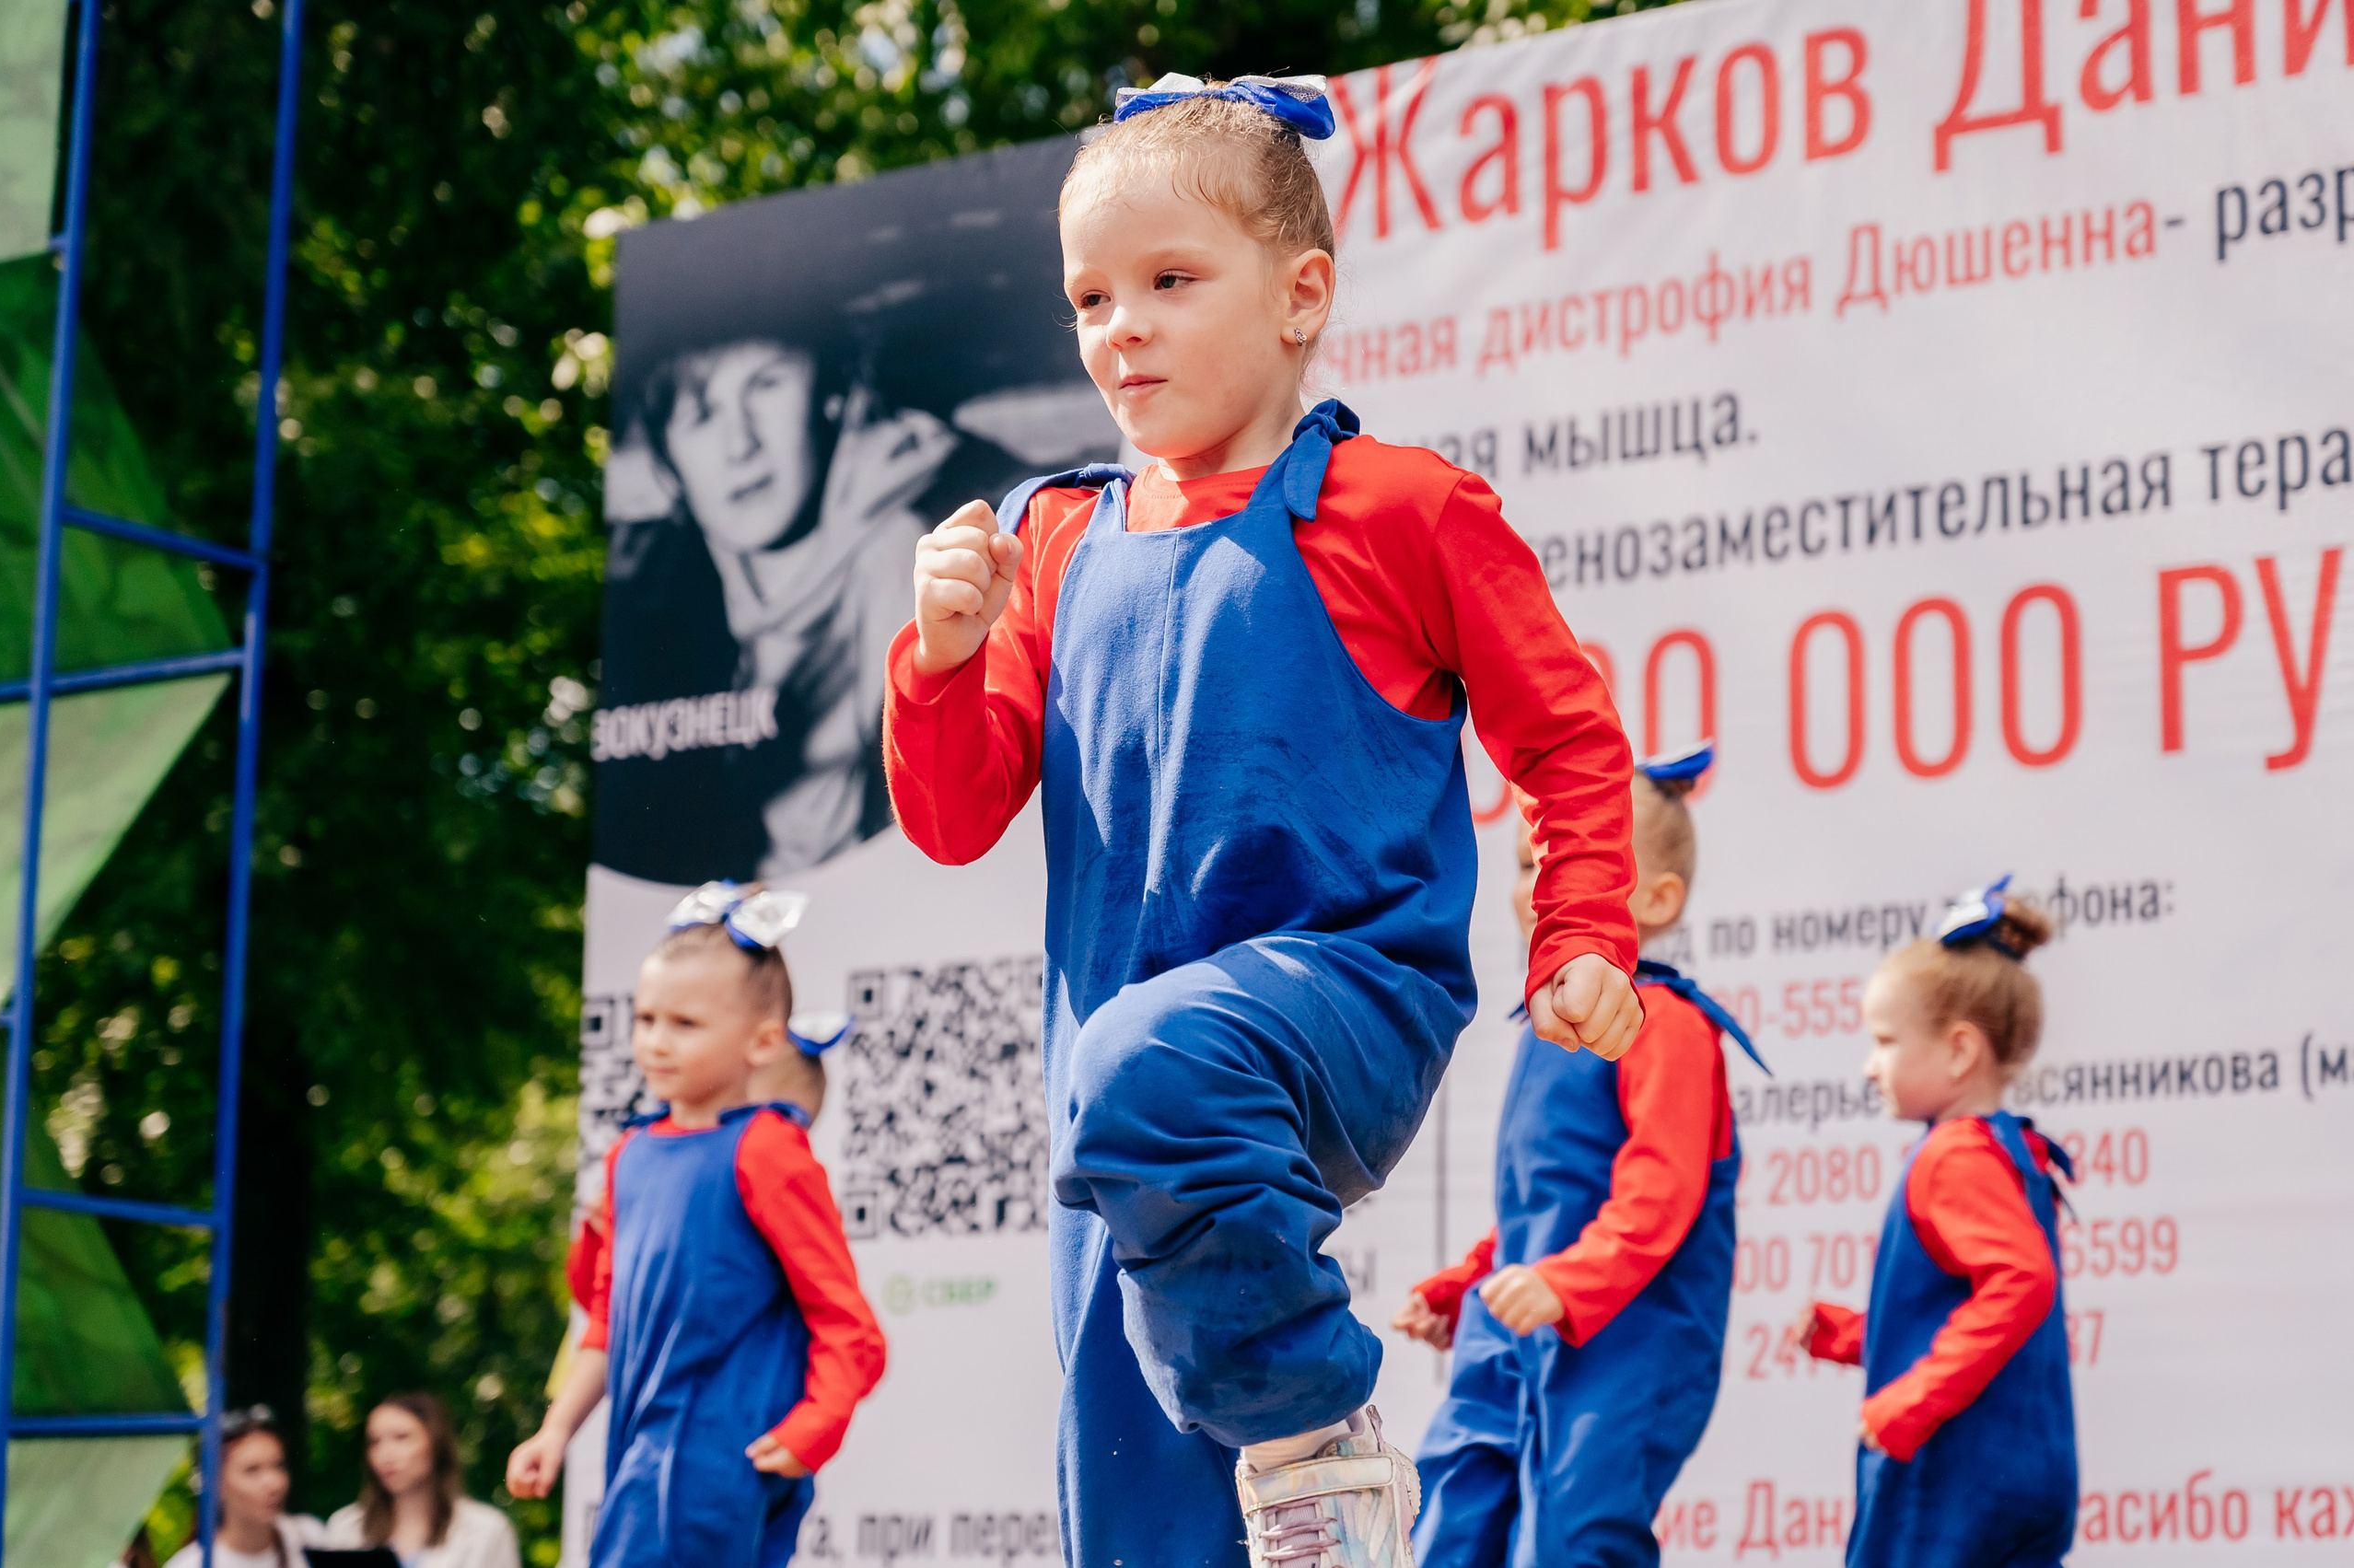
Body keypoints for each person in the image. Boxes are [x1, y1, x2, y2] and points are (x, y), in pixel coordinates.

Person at [882, 72, 1640, 1568]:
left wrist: (1584, 929)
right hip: (1117, 1106)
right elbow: (957, 815)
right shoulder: (1054, 536)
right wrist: (940, 662)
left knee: (1156, 1074)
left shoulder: (1404, 507)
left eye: (1171, 280)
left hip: (1344, 1005)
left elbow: (1565, 733)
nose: (1124, 328)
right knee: (1136, 1500)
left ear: (1301, 297)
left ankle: (1319, 1432)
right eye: (1091, 297)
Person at [1394, 744, 1764, 1568]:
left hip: (1617, 1346)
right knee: (1451, 1523)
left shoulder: (1663, 1023)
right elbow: (1541, 1205)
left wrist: (1563, 1283)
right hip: (1516, 1326)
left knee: (1571, 1542)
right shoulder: (1546, 1029)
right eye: (1534, 863)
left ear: (1658, 898)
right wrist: (1469, 1284)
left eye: (1583, 866)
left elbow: (1658, 1196)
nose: (1544, 889)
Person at [507, 884, 887, 1568]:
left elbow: (848, 1324)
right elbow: (604, 1321)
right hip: (642, 1452)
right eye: (646, 1017)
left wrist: (815, 1424)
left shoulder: (766, 1147)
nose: (655, 1041)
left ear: (763, 1039)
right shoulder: (630, 1152)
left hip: (720, 1457)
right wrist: (555, 1429)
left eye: (684, 1023)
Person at [1800, 877, 2077, 1568]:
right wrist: (1859, 1335)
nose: (1870, 1067)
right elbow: (1964, 1307)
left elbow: (2021, 1282)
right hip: (2018, 1473)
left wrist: (1909, 1401)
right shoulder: (2009, 1150)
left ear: (1959, 1050)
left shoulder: (1953, 1155)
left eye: (1886, 1041)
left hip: (1956, 1475)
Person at [642, 341, 959, 875]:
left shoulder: (906, 557)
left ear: (833, 397)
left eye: (765, 386)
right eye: (699, 414)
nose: (739, 445)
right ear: (665, 458)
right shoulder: (662, 587)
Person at [320, 1392, 519, 1568]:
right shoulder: (346, 1527)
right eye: (375, 1441)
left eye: (401, 1437)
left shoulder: (487, 1530)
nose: (385, 1454)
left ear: (436, 1445)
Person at [159, 1408, 324, 1568]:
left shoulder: (310, 1540)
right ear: (215, 1485)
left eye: (278, 1466)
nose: (274, 1483)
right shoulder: (193, 1564)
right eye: (252, 1470)